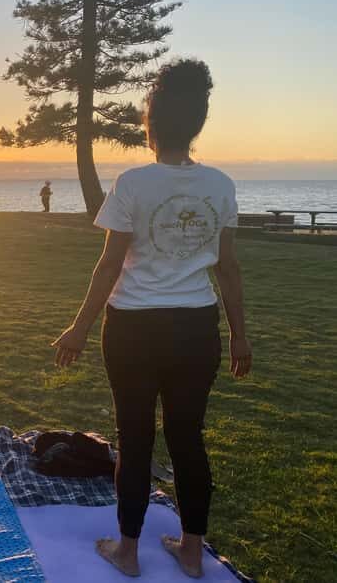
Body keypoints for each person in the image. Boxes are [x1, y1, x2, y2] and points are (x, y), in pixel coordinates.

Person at [51, 60, 252, 579]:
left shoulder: (134, 183)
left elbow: (109, 265)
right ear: (197, 123)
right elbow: (227, 269)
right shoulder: (221, 185)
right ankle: (190, 549)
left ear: (152, 125)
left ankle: (129, 551)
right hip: (196, 329)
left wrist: (78, 327)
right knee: (188, 437)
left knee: (135, 437)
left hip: (134, 329)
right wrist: (239, 336)